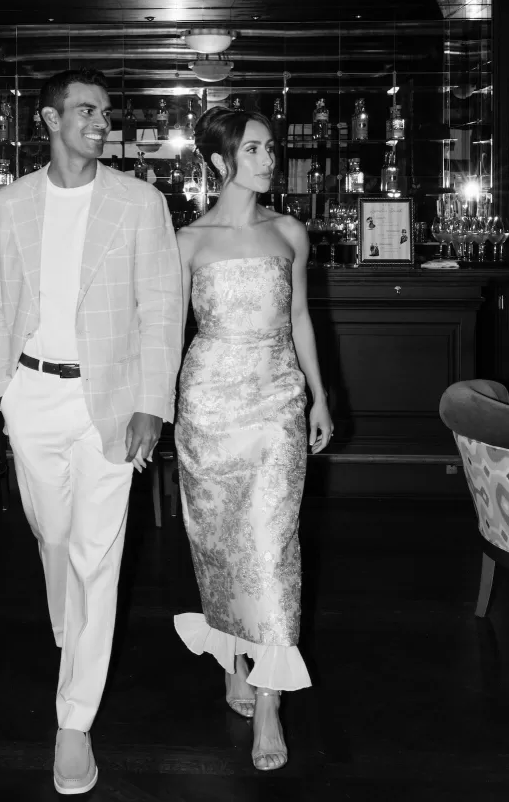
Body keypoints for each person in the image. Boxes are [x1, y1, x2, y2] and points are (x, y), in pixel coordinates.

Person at [0, 68, 182, 794]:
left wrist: (151, 402)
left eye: (106, 113)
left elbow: (162, 307)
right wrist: (3, 388)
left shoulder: (140, 202)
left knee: (99, 558)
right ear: (49, 118)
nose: (101, 124)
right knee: (53, 535)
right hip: (31, 394)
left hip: (110, 400)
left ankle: (74, 723)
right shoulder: (8, 205)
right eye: (87, 111)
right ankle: (72, 630)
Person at [173, 106, 333, 773]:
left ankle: (268, 696)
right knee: (219, 546)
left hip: (276, 404)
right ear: (220, 162)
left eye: (272, 148)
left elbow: (298, 318)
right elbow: (167, 334)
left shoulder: (289, 231)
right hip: (207, 404)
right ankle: (234, 661)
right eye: (256, 150)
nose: (271, 159)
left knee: (271, 547)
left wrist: (321, 396)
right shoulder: (186, 242)